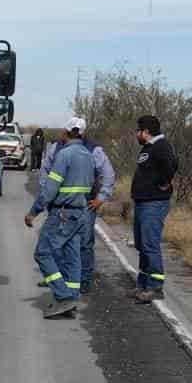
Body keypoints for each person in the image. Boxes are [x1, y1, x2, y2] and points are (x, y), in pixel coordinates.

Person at [24, 117, 97, 318]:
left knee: (43, 253)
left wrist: (33, 212)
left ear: (66, 134)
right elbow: (93, 184)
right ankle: (72, 296)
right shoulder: (89, 156)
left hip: (62, 212)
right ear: (83, 134)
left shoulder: (64, 155)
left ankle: (63, 297)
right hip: (80, 213)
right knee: (73, 256)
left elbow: (50, 189)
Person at [129, 114, 178, 302]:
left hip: (154, 203)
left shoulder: (161, 146)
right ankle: (142, 284)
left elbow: (172, 164)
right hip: (142, 202)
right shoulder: (148, 148)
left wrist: (165, 182)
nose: (136, 134)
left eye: (137, 131)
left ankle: (155, 287)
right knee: (142, 244)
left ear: (146, 132)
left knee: (150, 244)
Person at [71, 116, 116, 294]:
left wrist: (101, 198)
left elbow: (109, 175)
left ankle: (84, 279)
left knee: (84, 242)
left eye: (78, 131)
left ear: (83, 132)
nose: (76, 133)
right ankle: (61, 277)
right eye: (73, 130)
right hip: (61, 205)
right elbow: (47, 170)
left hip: (85, 204)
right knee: (60, 242)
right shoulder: (59, 147)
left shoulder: (94, 150)